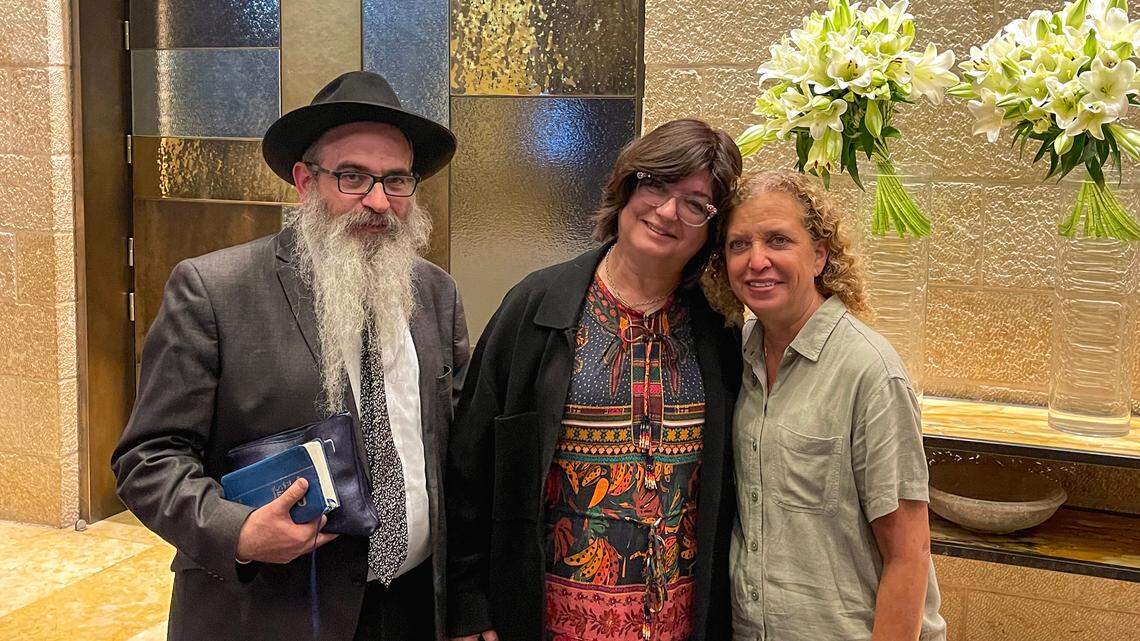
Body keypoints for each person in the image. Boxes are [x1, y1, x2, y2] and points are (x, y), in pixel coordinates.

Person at [111, 71, 469, 641]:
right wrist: (239, 531)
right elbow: (148, 458)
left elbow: (455, 448)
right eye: (352, 177)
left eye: (397, 180)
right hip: (273, 612)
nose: (378, 201)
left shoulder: (435, 292)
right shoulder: (214, 291)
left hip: (413, 607)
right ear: (305, 181)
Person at [445, 119, 744, 641]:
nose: (667, 212)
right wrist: (468, 606)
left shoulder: (718, 330)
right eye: (656, 184)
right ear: (627, 185)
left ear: (711, 228)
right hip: (549, 622)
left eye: (695, 204)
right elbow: (470, 463)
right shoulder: (536, 308)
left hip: (677, 624)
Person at [702, 170, 945, 640]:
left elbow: (909, 556)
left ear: (819, 255)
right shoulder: (740, 355)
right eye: (739, 245)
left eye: (778, 240)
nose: (757, 260)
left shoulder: (869, 372)